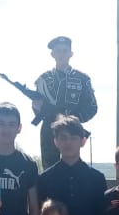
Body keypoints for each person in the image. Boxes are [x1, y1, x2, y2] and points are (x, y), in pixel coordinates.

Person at [33, 37, 98, 169]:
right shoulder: (43, 80)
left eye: (65, 51)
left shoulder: (82, 79)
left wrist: (72, 119)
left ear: (71, 54)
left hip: (72, 130)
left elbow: (92, 107)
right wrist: (36, 108)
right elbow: (39, 109)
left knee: (72, 166)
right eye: (58, 51)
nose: (61, 54)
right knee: (49, 170)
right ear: (52, 54)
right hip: (49, 130)